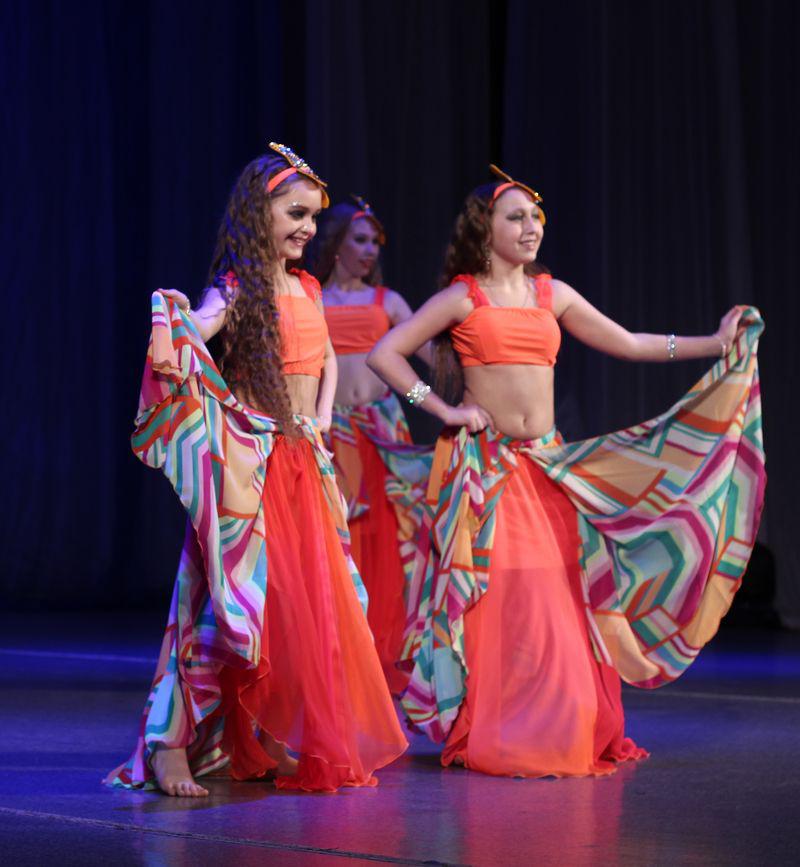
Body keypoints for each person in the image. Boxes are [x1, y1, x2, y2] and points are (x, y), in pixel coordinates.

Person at [367, 164, 766, 778]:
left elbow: (628, 342)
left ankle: (561, 723)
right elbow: (384, 352)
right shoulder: (464, 296)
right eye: (516, 218)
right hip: (489, 471)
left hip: (546, 466)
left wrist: (715, 344)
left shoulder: (553, 294)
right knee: (503, 601)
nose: (531, 228)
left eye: (536, 218)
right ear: (484, 229)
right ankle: (504, 726)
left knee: (558, 598)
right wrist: (444, 409)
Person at [106, 143, 407, 797]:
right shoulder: (236, 289)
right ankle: (168, 744)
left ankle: (268, 735)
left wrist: (320, 418)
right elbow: (199, 326)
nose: (308, 228)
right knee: (216, 605)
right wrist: (174, 316)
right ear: (258, 213)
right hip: (252, 469)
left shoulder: (306, 287)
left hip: (303, 465)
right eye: (296, 214)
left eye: (313, 217)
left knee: (296, 612)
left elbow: (327, 360)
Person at [312, 196, 432, 695]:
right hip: (332, 437)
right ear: (336, 243)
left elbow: (428, 363)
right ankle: (340, 653)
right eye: (359, 240)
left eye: (375, 243)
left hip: (382, 437)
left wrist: (437, 398)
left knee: (389, 544)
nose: (369, 250)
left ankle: (385, 651)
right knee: (341, 541)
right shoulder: (312, 298)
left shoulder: (389, 302)